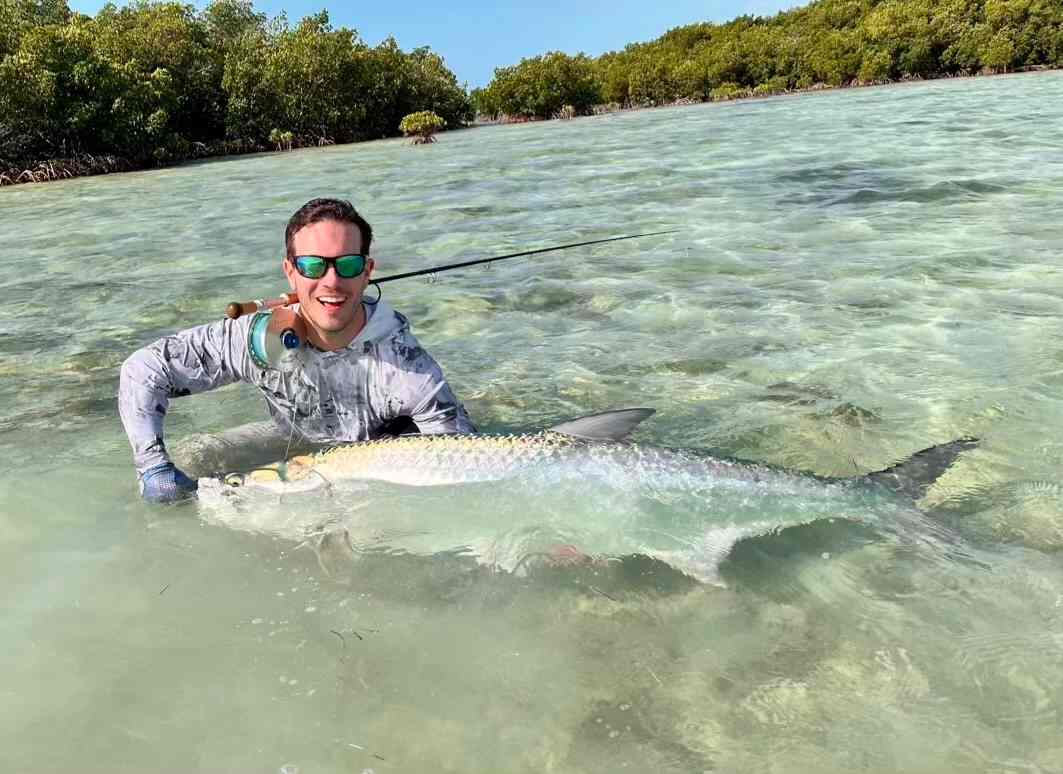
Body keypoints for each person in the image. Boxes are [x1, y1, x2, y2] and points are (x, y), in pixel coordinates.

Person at [119, 198, 475, 503]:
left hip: (385, 458)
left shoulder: (408, 369)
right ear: (290, 272)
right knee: (194, 456)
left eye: (348, 264)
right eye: (312, 265)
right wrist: (153, 466)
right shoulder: (258, 340)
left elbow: (463, 462)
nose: (332, 281)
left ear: (367, 272)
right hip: (297, 445)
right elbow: (143, 369)